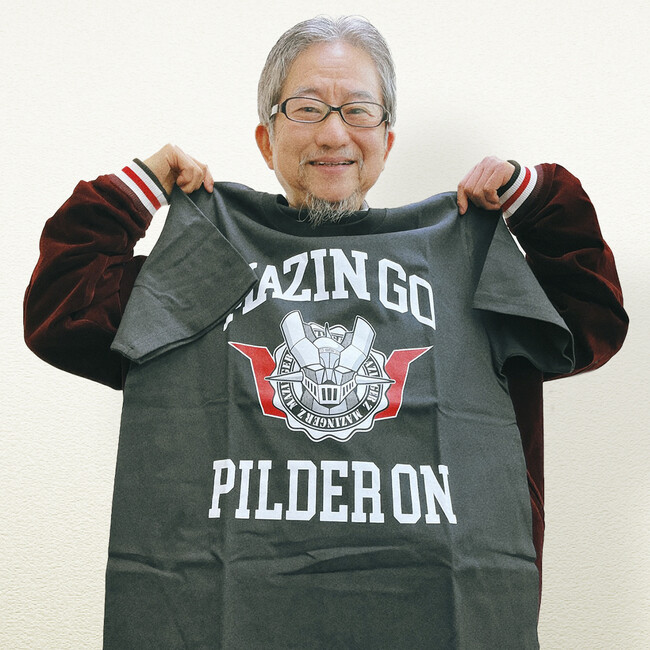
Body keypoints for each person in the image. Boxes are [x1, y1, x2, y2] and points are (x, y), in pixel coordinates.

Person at [24, 15, 627, 650]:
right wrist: (138, 188)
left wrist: (534, 198)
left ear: (387, 139)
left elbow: (589, 318)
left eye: (358, 111)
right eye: (307, 108)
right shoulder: (206, 255)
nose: (334, 133)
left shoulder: (458, 257)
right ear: (267, 139)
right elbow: (61, 311)